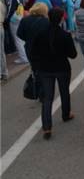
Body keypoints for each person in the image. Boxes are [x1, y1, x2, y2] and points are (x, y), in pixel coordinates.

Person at [30, 7, 77, 139]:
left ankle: (46, 127)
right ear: (61, 18)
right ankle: (66, 114)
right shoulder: (65, 35)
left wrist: (37, 65)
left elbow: (34, 52)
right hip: (62, 67)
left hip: (45, 68)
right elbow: (73, 54)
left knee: (47, 98)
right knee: (64, 92)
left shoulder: (40, 34)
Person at [16, 2, 49, 70]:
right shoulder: (47, 21)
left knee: (34, 66)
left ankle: (35, 75)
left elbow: (19, 34)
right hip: (44, 47)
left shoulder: (25, 20)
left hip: (29, 47)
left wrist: (28, 39)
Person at [6, 0, 28, 64]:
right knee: (21, 38)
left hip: (14, 19)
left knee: (17, 39)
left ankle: (23, 58)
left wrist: (7, 19)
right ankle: (25, 55)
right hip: (20, 17)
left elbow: (11, 9)